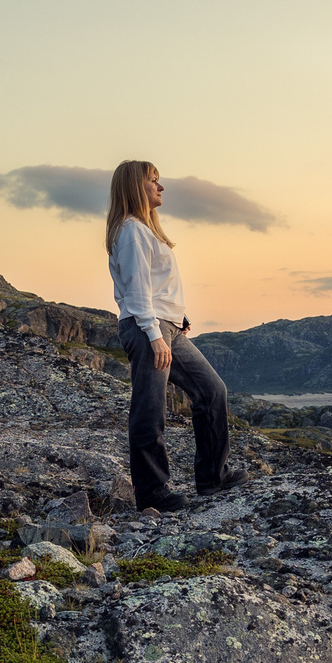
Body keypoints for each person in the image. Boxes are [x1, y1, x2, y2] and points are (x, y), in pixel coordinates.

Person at [106, 159, 245, 513]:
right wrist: (154, 335)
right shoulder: (132, 231)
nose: (160, 187)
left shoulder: (145, 230)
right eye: (154, 181)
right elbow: (135, 292)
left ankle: (213, 476)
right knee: (150, 410)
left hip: (164, 326)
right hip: (147, 328)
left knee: (212, 390)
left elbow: (153, 286)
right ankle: (153, 493)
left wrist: (175, 315)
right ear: (136, 187)